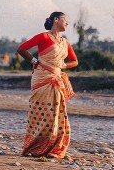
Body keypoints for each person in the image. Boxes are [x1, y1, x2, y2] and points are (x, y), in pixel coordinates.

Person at [17, 11, 78, 159]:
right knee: (42, 114)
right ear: (56, 20)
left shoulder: (66, 43)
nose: (67, 23)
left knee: (57, 114)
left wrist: (63, 66)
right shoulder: (43, 37)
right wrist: (34, 61)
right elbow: (21, 48)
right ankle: (36, 147)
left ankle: (54, 148)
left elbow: (75, 61)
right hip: (41, 79)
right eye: (65, 20)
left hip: (56, 79)